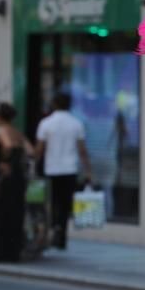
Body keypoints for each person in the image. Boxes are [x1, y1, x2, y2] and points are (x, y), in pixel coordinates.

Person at [35, 92, 92, 250]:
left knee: (52, 202)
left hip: (51, 169)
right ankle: (62, 235)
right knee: (65, 203)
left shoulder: (46, 123)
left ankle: (53, 230)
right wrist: (88, 170)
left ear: (54, 104)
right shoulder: (76, 124)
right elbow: (82, 150)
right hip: (69, 169)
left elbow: (39, 149)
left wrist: (34, 163)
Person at [0, 103, 30, 262]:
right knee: (14, 215)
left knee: (0, 214)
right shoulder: (17, 132)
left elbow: (8, 145)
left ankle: (0, 252)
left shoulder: (1, 130)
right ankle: (12, 251)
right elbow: (30, 150)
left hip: (3, 180)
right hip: (18, 179)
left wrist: (4, 161)